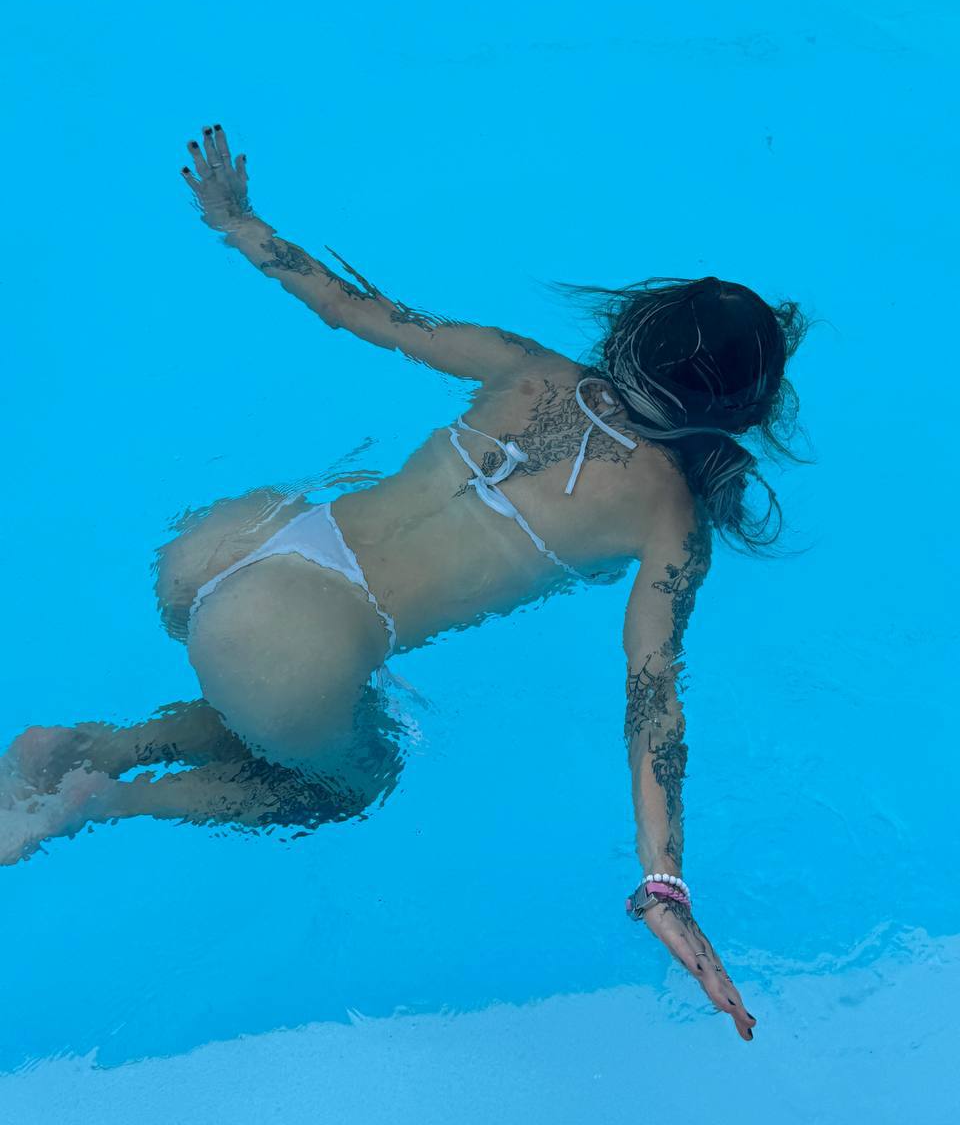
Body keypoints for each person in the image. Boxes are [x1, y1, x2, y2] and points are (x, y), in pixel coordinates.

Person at [0, 124, 812, 1041]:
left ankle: (92, 745)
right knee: (350, 782)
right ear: (740, 414)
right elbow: (651, 696)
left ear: (633, 330)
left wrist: (238, 222)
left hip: (229, 543)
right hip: (297, 641)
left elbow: (352, 309)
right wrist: (664, 883)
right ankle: (102, 799)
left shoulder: (528, 364)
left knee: (277, 700)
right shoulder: (671, 519)